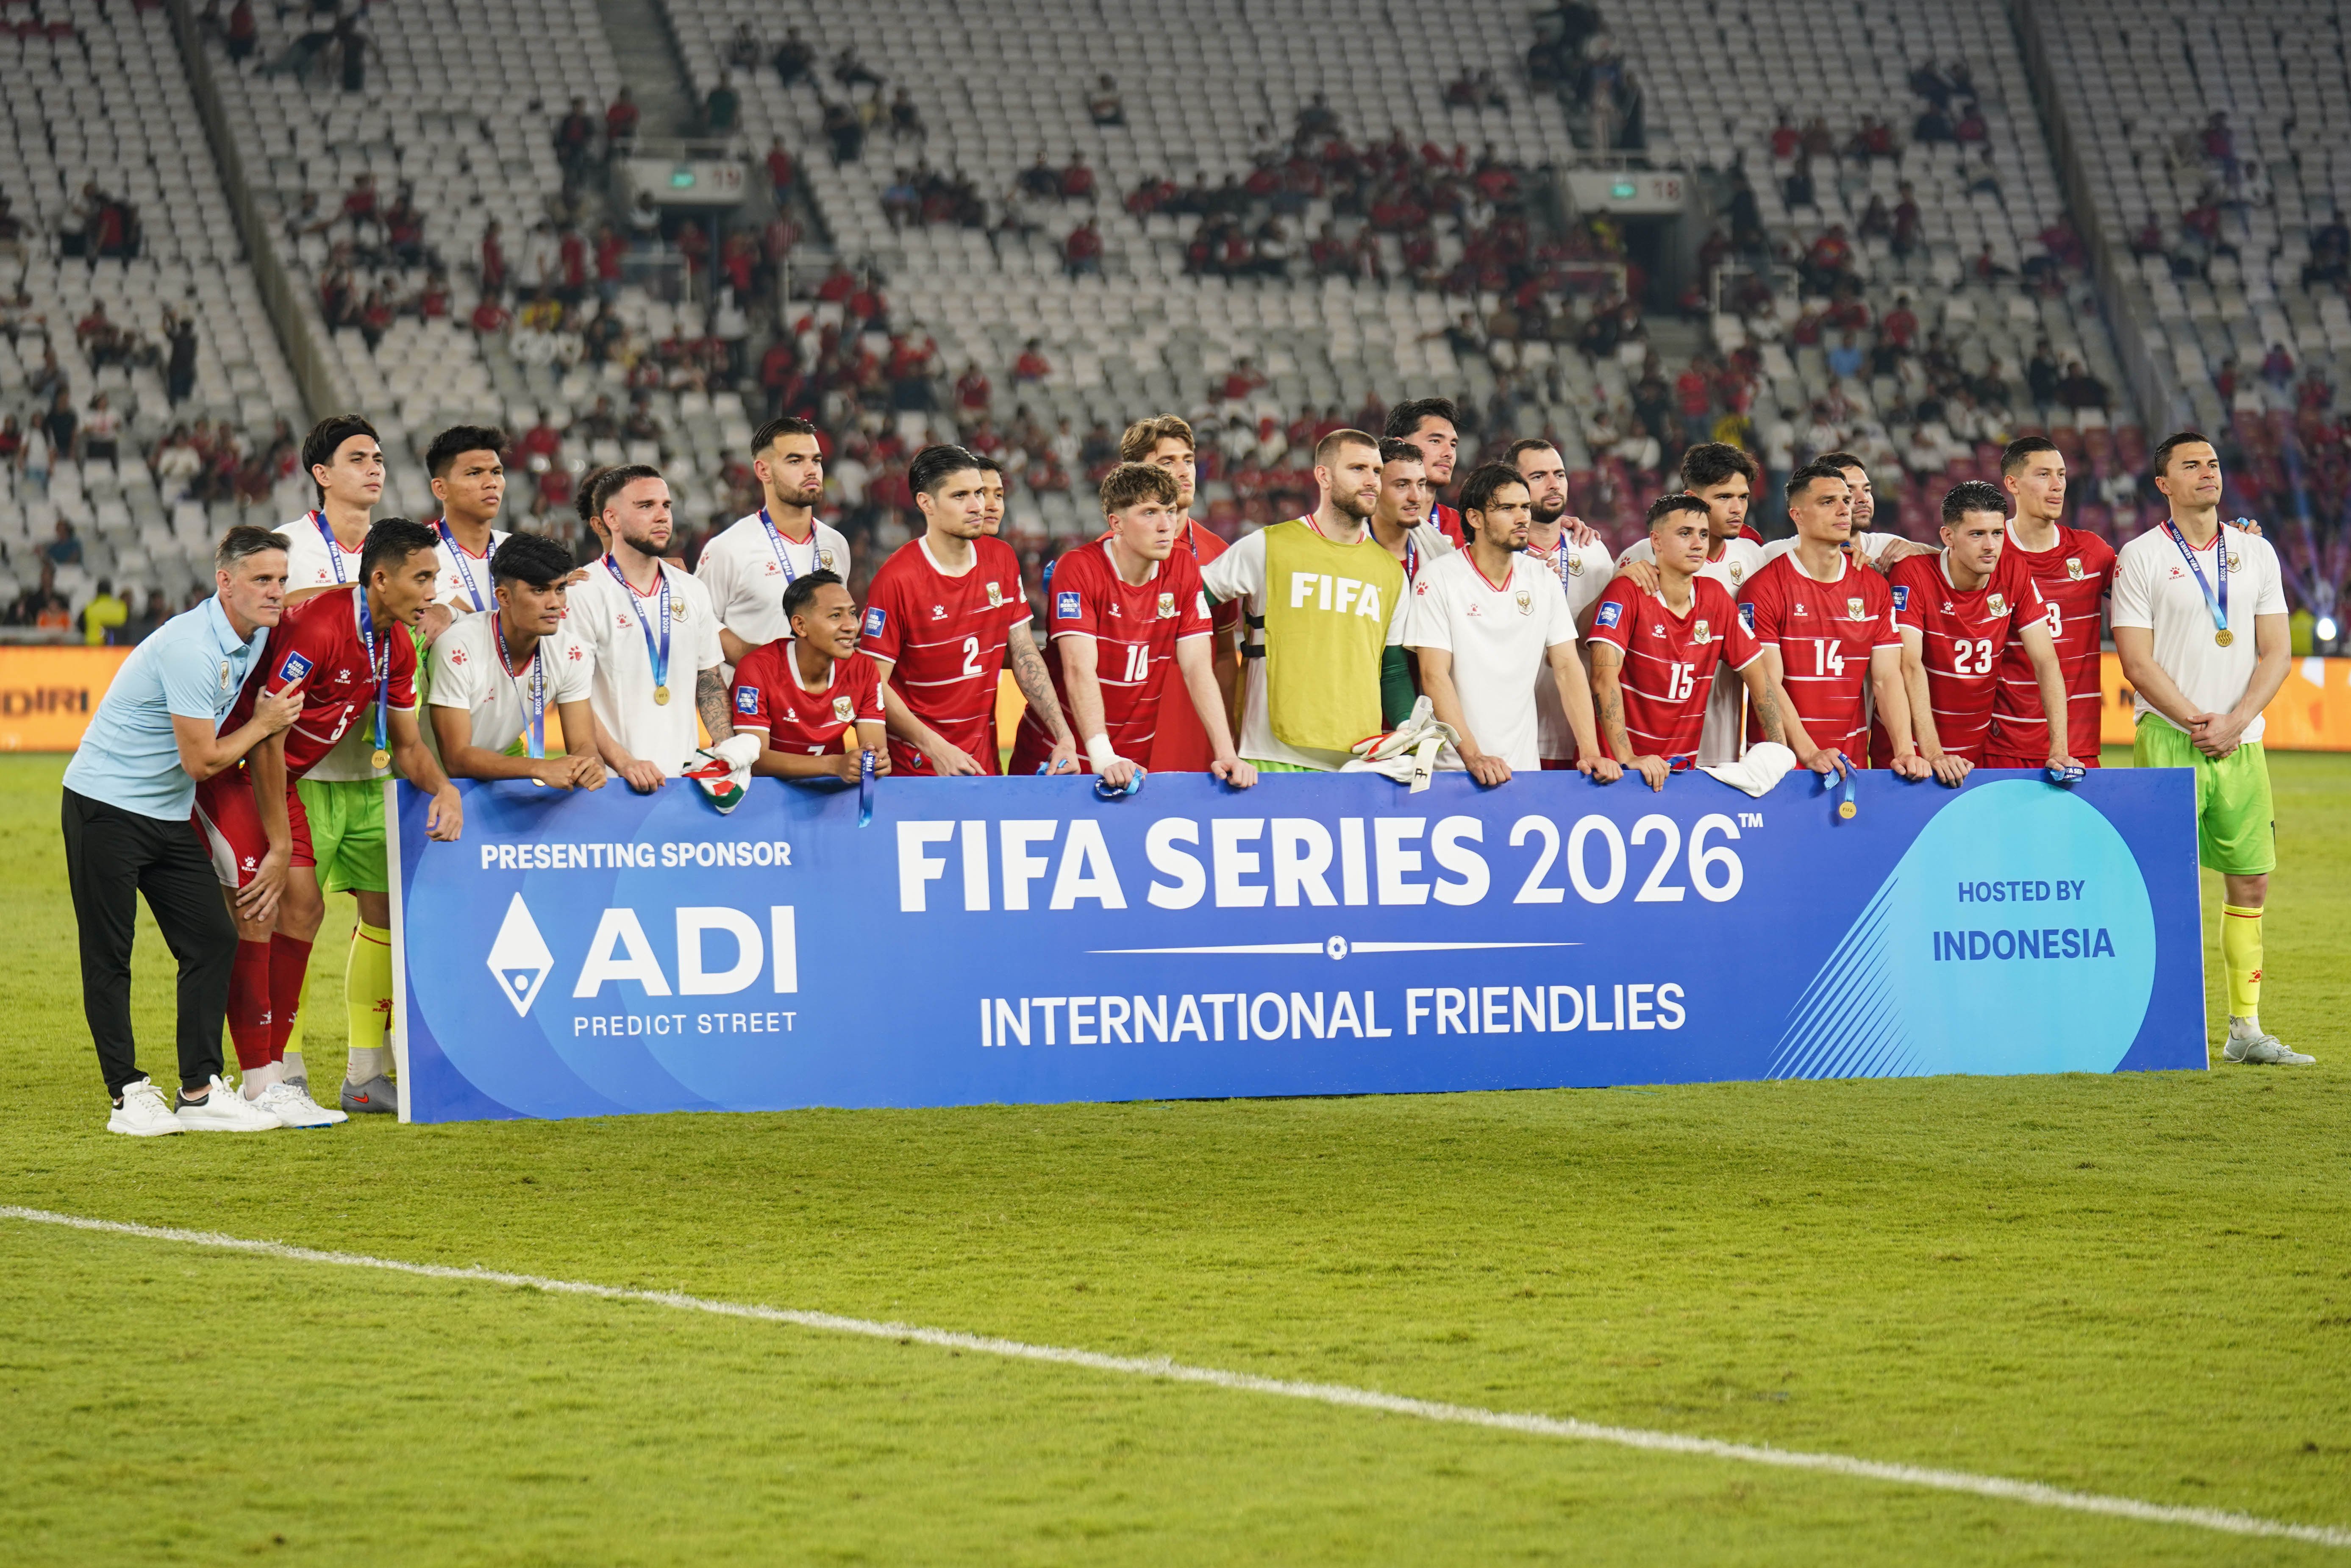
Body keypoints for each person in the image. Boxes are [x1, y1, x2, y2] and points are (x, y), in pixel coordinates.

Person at [195, 517, 463, 1123]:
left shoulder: (395, 645)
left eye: (436, 577)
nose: (432, 591)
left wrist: (443, 788)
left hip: (278, 776)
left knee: (304, 909)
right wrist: (281, 843)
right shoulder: (317, 628)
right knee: (268, 907)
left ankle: (270, 1078)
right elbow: (267, 736)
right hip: (234, 769)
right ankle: (259, 1077)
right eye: (422, 578)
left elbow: (408, 745)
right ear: (381, 578)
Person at [61, 526, 306, 1135]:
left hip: (168, 815)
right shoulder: (191, 647)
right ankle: (127, 1095)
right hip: (105, 807)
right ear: (225, 582)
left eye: (281, 579)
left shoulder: (256, 634)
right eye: (261, 580)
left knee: (212, 940)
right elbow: (203, 762)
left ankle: (198, 1091)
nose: (276, 592)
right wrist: (267, 720)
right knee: (110, 956)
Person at [273, 415, 448, 1105]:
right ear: (322, 474)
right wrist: (354, 599)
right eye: (356, 458)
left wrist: (432, 609)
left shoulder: (405, 554)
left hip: (373, 770)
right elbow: (264, 613)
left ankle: (366, 1072)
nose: (374, 468)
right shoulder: (289, 545)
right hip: (304, 774)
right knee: (296, 916)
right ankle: (278, 1070)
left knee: (384, 918)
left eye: (378, 457)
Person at [2111, 433, 2301, 1065]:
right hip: (2171, 739)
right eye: (2190, 465)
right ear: (2163, 483)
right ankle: (2157, 1027)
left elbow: (2277, 650)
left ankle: (2245, 1030)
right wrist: (2200, 721)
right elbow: (2136, 663)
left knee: (2250, 884)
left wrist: (2238, 720)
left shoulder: (2257, 551)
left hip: (2242, 744)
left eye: (2214, 463)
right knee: (2164, 887)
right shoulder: (2139, 557)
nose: (2207, 473)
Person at [1011, 462, 1252, 787]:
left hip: (1130, 759)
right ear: (1117, 523)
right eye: (1150, 513)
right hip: (1058, 755)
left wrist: (1226, 752)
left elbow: (1197, 667)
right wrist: (1102, 755)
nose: (1166, 525)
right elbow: (1079, 669)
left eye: (1170, 511)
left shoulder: (1182, 567)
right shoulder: (1079, 568)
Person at [1200, 429, 1414, 773]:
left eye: (1377, 471)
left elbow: (1392, 669)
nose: (1372, 480)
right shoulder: (1268, 545)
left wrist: (1407, 727)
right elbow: (1190, 600)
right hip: (1271, 755)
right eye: (1358, 468)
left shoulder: (1390, 572)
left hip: (1357, 760)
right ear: (1323, 476)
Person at [861, 445, 1073, 776]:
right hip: (919, 768)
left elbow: (1023, 653)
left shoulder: (1001, 558)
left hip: (982, 763)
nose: (979, 506)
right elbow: (872, 683)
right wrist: (935, 748)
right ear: (925, 503)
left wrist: (1064, 736)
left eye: (979, 493)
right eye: (960, 496)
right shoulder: (897, 579)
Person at [1405, 462, 1615, 786]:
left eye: (1524, 507)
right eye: (1507, 508)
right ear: (1475, 518)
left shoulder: (1542, 579)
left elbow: (1567, 667)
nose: (1522, 518)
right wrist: (1473, 756)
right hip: (1453, 770)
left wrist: (1589, 749)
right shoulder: (1439, 578)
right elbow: (1434, 676)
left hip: (1524, 769)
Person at [1737, 462, 1929, 777]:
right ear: (1797, 515)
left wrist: (1905, 751)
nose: (1844, 510)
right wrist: (1810, 753)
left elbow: (1887, 678)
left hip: (1849, 763)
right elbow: (1769, 682)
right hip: (1784, 767)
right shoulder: (1764, 587)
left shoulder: (1873, 587)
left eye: (1847, 501)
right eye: (1828, 502)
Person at [1588, 494, 1781, 788]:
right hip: (1616, 772)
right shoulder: (1627, 592)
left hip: (1681, 771)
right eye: (1685, 533)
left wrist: (1778, 750)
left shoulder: (1716, 598)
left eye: (1703, 534)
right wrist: (1628, 757)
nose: (1698, 543)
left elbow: (1760, 678)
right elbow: (1603, 678)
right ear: (1656, 541)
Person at [1889, 481, 2074, 784]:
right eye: (1977, 534)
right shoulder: (1914, 574)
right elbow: (1909, 665)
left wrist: (2060, 750)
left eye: (1997, 533)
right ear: (1948, 536)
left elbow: (2046, 661)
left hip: (1972, 753)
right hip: (1912, 753)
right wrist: (1933, 753)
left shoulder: (2013, 569)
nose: (1991, 545)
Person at [566, 465, 731, 788]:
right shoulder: (582, 593)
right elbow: (572, 695)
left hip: (684, 782)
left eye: (666, 506)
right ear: (611, 519)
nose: (662, 516)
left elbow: (709, 680)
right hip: (614, 783)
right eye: (646, 506)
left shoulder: (692, 589)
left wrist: (727, 748)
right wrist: (624, 762)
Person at [1613, 443, 1770, 765]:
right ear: (1693, 498)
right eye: (1724, 497)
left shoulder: (1753, 555)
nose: (1737, 508)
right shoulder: (1641, 556)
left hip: (1723, 723)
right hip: (1653, 731)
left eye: (1743, 497)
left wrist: (1857, 549)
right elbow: (1599, 638)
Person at [1983, 436, 2119, 770]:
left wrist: (2231, 546)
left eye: (2062, 474)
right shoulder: (1988, 552)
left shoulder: (2092, 553)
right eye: (2044, 475)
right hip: (2002, 746)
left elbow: (2159, 590)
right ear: (2012, 484)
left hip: (2077, 746)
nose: (2057, 485)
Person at [1112, 414, 1239, 773]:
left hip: (1195, 729)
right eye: (1167, 462)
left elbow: (1225, 653)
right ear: (1136, 473)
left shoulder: (1219, 553)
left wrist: (1228, 734)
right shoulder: (1104, 556)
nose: (1183, 471)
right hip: (1129, 732)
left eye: (1188, 459)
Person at [428, 533, 604, 790]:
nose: (555, 603)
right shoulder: (458, 646)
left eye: (560, 589)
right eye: (539, 590)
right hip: (427, 781)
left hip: (496, 773)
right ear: (504, 597)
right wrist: (540, 767)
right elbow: (456, 759)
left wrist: (591, 767)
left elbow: (584, 745)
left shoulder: (571, 652)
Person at [695, 416, 851, 664]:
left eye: (816, 460)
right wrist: (756, 660)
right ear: (763, 470)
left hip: (821, 698)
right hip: (754, 699)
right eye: (795, 460)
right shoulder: (728, 548)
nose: (811, 470)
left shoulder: (836, 544)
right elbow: (697, 621)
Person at [731, 570, 887, 781]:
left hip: (829, 793)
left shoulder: (863, 669)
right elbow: (755, 760)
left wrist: (874, 763)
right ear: (800, 626)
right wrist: (834, 764)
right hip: (764, 796)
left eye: (852, 613)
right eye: (836, 615)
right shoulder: (757, 669)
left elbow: (875, 749)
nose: (851, 626)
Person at [423, 426, 511, 616]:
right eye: (475, 473)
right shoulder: (417, 554)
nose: (491, 483)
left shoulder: (519, 551)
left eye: (496, 472)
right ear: (441, 489)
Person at [1367, 437, 1453, 587]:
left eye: (1421, 484)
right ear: (1374, 489)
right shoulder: (1345, 553)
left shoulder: (1441, 554)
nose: (1416, 497)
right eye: (1402, 485)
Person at [1384, 397, 1466, 545]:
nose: (1449, 453)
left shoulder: (1461, 528)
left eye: (1453, 444)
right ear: (1401, 446)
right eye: (1436, 441)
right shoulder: (1362, 524)